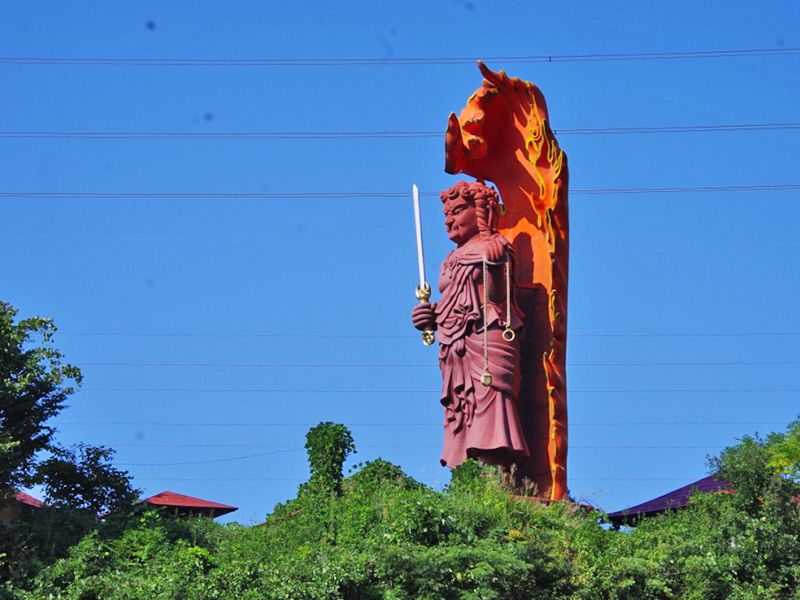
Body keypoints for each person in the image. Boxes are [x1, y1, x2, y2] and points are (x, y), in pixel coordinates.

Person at [411, 181, 529, 470]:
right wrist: (430, 315)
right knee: (462, 412)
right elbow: (454, 302)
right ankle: (470, 484)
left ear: (480, 211)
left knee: (491, 409)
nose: (449, 219)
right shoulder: (449, 260)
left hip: (487, 339)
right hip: (454, 344)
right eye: (446, 214)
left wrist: (493, 256)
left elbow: (497, 295)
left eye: (458, 211)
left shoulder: (495, 247)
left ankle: (496, 484)